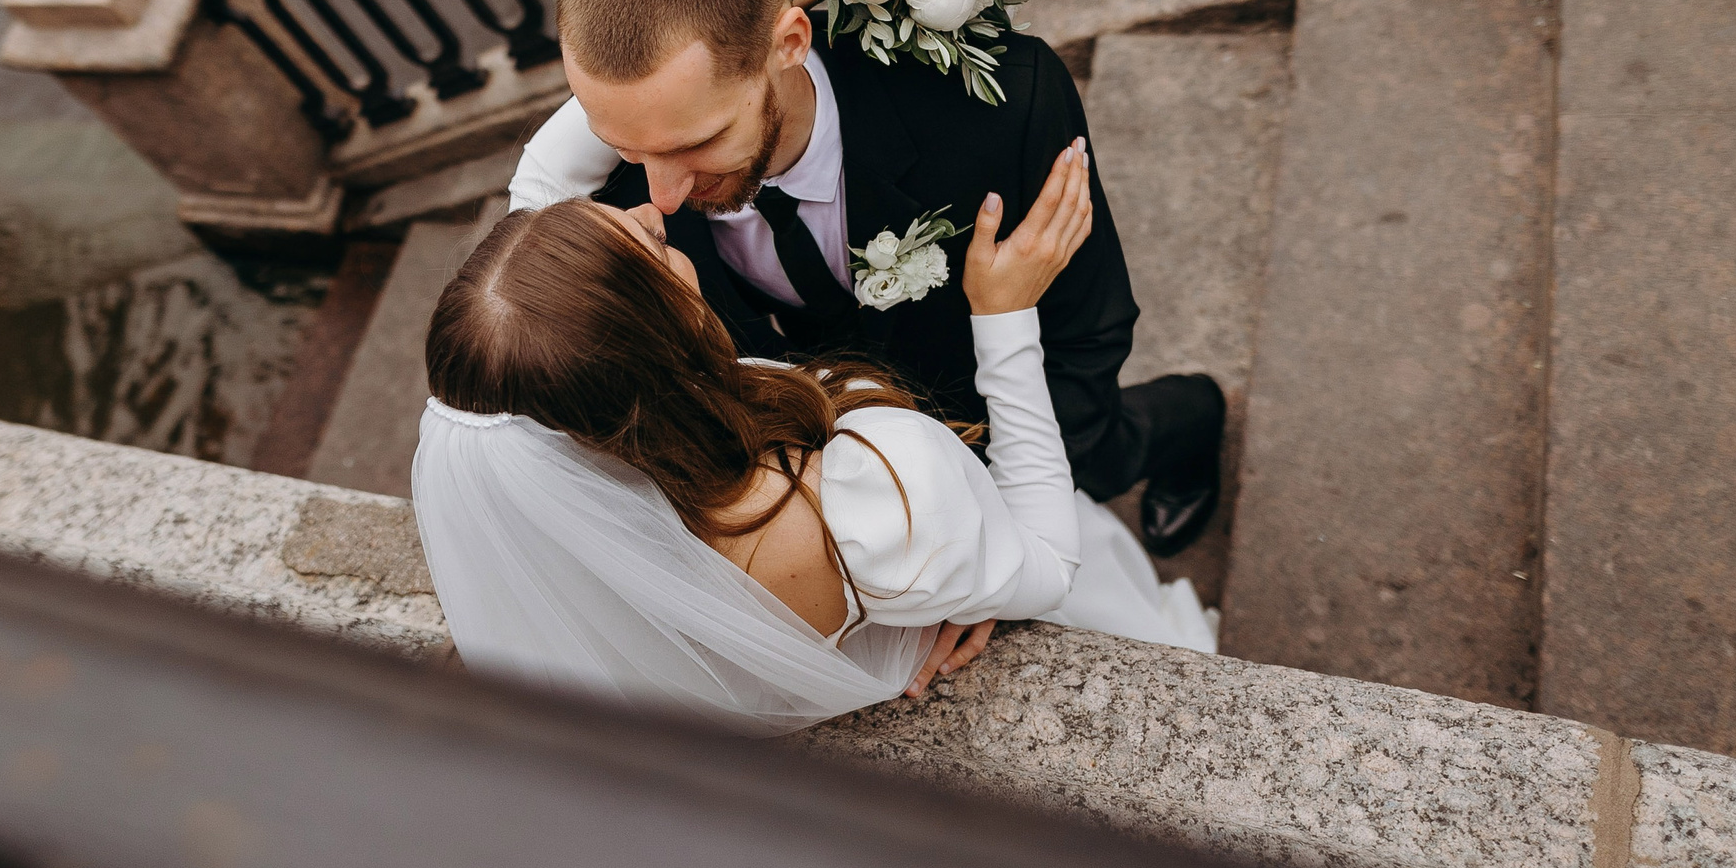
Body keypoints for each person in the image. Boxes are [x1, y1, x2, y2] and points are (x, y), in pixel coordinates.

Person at [508, 0, 1224, 556]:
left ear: (789, 42)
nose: (659, 198)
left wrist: (996, 524)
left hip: (988, 398)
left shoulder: (1001, 105)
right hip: (834, 465)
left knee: (1104, 455)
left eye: (697, 143)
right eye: (622, 143)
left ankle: (1196, 416)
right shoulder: (604, 199)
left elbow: (1087, 329)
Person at [414, 141, 1216, 734]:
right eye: (655, 245)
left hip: (933, 561)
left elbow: (547, 171)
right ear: (660, 338)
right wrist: (1005, 317)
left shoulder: (526, 395)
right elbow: (1048, 562)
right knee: (1126, 457)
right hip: (982, 530)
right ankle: (1198, 418)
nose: (649, 205)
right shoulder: (856, 509)